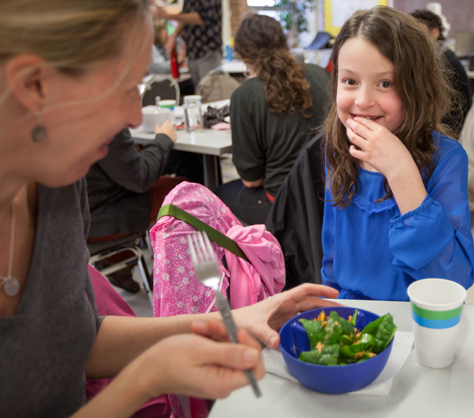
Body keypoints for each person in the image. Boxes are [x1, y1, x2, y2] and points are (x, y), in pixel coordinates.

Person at [0, 1, 341, 417]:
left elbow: (79, 343)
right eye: (126, 87)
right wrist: (146, 378)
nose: (134, 116)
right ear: (34, 86)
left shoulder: (58, 186)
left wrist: (230, 321)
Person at [321, 6, 474, 301]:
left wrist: (401, 172)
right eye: (350, 81)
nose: (363, 101)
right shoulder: (339, 149)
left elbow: (453, 281)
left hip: (415, 316)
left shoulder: (446, 158)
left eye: (386, 84)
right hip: (352, 316)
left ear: (417, 88)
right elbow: (332, 261)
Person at [214, 14, 331, 225]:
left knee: (214, 196)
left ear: (243, 53)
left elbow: (251, 181)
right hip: (329, 195)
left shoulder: (246, 95)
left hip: (282, 204)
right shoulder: (320, 75)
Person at [86, 123, 183, 293]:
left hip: (71, 219)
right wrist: (164, 138)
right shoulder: (103, 121)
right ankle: (165, 281)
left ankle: (118, 261)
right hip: (102, 217)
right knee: (186, 190)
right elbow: (141, 177)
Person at [410, 9, 472, 135]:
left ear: (435, 32)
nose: (413, 37)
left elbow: (437, 104)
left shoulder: (444, 61)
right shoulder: (437, 54)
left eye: (419, 31)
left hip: (448, 127)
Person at [156, 0, 222, 88]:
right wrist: (173, 36)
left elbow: (202, 17)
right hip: (192, 51)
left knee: (209, 90)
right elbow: (185, 15)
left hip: (207, 49)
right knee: (198, 90)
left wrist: (168, 15)